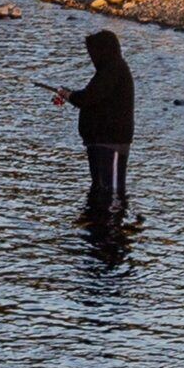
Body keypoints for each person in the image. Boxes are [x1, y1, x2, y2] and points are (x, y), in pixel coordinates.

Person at [51, 29, 135, 229]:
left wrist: (69, 96)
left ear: (103, 51)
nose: (91, 57)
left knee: (112, 191)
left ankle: (113, 232)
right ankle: (97, 227)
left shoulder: (114, 70)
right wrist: (70, 95)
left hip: (111, 143)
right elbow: (92, 96)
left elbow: (87, 98)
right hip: (99, 142)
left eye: (93, 52)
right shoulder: (108, 70)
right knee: (99, 189)